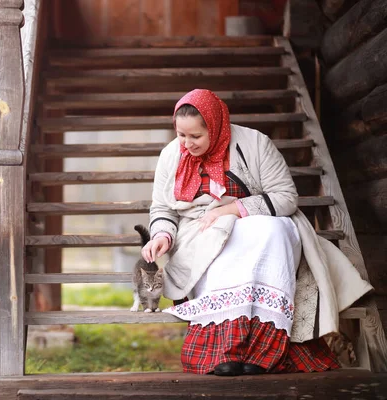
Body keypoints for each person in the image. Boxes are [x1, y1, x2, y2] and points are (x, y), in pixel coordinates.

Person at [141, 89, 373, 376]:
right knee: (223, 247)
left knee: (270, 231)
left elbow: (286, 197)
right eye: (181, 135)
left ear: (215, 126)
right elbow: (163, 208)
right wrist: (162, 235)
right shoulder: (170, 155)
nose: (186, 144)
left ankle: (263, 353)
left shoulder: (255, 143)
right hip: (201, 232)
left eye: (195, 136)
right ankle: (225, 352)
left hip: (259, 224)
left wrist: (231, 210)